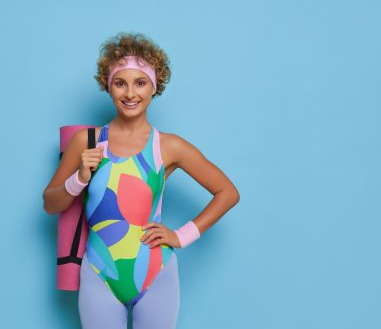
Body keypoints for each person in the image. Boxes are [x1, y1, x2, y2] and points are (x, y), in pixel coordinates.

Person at [43, 32, 240, 329]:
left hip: (155, 272)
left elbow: (228, 192)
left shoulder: (168, 146)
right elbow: (49, 203)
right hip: (99, 273)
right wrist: (80, 178)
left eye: (140, 83)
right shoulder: (87, 141)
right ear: (108, 86)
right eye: (121, 83)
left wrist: (181, 235)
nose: (130, 93)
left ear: (154, 87)